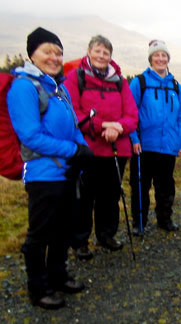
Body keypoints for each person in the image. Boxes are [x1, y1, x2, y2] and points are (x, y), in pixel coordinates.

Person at [7, 27, 89, 309]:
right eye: (47, 51)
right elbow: (29, 135)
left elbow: (73, 125)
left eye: (58, 52)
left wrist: (81, 147)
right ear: (32, 54)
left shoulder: (60, 87)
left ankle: (58, 275)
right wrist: (72, 150)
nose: (54, 57)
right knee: (40, 233)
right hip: (42, 174)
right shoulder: (23, 87)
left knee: (63, 228)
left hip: (66, 171)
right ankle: (38, 288)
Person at [64, 35, 138, 255]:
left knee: (111, 195)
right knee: (84, 197)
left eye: (106, 52)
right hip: (87, 150)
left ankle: (107, 235)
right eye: (97, 51)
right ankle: (80, 241)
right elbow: (72, 113)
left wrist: (118, 128)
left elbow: (132, 116)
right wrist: (102, 125)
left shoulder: (120, 81)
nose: (101, 56)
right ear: (88, 51)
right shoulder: (75, 77)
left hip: (117, 150)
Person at [129, 40, 181, 234]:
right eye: (157, 55)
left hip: (168, 146)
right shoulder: (139, 82)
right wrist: (134, 139)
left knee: (166, 187)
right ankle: (139, 223)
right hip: (144, 145)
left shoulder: (176, 86)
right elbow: (130, 113)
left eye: (164, 55)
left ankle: (165, 219)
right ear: (151, 58)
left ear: (168, 59)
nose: (161, 59)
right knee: (140, 186)